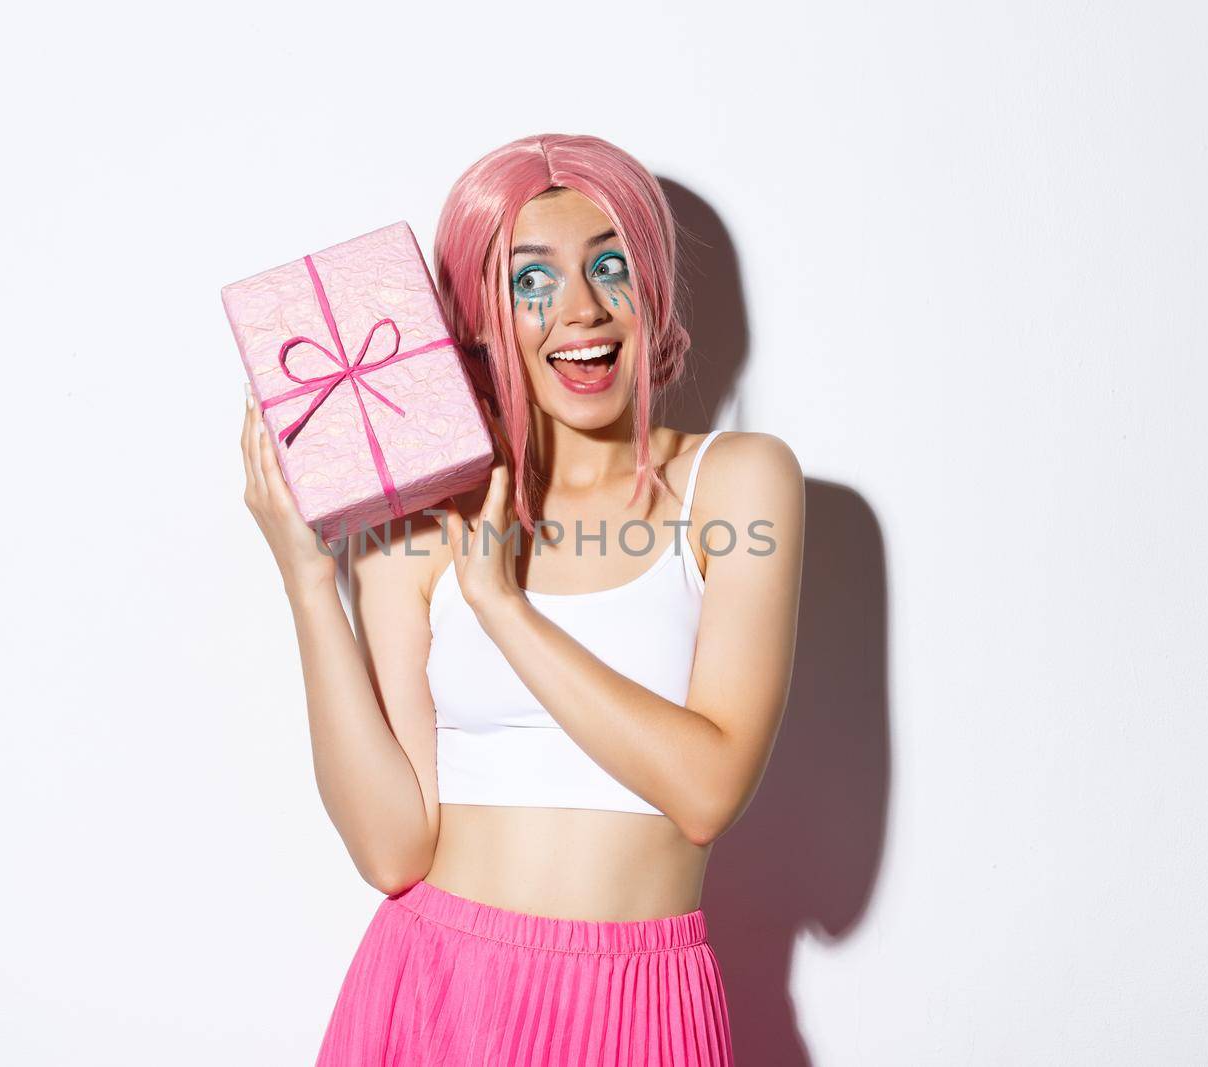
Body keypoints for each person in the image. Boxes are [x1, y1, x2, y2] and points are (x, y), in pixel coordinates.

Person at [238, 133, 804, 1065]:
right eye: (531, 282)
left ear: (653, 291)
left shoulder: (736, 482)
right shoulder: (419, 523)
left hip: (638, 1004)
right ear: (477, 316)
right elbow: (392, 852)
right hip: (434, 990)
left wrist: (502, 605)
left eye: (610, 266)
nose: (580, 310)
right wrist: (307, 578)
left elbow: (706, 792)